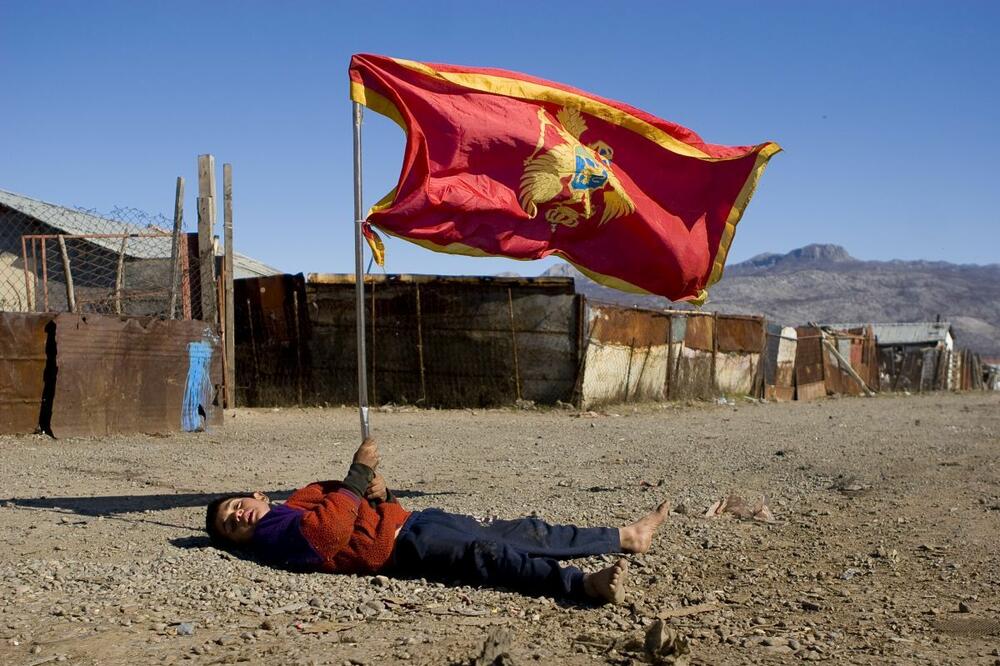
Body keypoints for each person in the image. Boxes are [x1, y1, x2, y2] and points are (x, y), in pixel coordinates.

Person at [205, 438, 669, 604]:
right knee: (487, 556)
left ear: (257, 494)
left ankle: (625, 536)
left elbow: (357, 504)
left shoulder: (302, 496)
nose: (239, 516)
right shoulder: (272, 536)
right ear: (239, 539)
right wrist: (357, 473)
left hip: (415, 519)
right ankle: (580, 585)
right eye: (231, 524)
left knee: (521, 530)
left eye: (235, 506)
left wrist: (380, 489)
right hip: (404, 549)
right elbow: (327, 535)